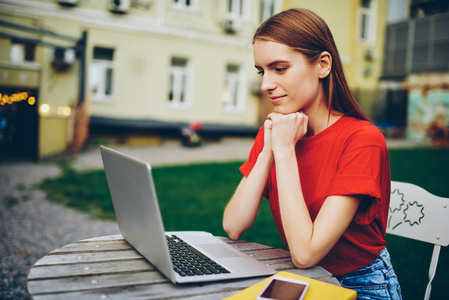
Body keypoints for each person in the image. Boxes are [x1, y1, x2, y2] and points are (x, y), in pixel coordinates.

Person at [222, 8, 402, 299]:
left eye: (279, 69)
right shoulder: (277, 131)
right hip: (302, 281)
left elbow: (306, 253)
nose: (265, 84)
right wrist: (270, 148)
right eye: (261, 71)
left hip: (361, 285)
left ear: (322, 65)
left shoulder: (363, 140)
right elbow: (233, 225)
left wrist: (283, 151)